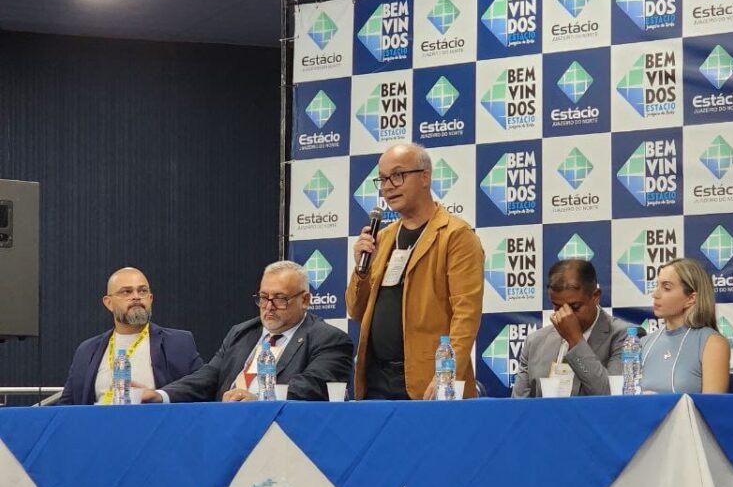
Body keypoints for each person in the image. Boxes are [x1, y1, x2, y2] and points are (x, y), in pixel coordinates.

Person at [347, 143, 484, 400]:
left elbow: (466, 314)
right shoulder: (383, 237)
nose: (388, 186)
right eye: (383, 179)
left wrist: (446, 374)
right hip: (376, 380)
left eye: (398, 175)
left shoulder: (455, 235)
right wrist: (361, 271)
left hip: (428, 380)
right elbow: (355, 310)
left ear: (425, 177)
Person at [140, 260, 352, 402]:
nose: (268, 307)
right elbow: (208, 377)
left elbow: (312, 387)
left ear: (304, 300)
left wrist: (259, 399)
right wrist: (160, 395)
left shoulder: (329, 340)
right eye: (263, 297)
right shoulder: (242, 333)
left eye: (280, 299)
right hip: (228, 426)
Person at [58, 267, 203, 405]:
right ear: (109, 303)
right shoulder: (87, 350)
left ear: (150, 299)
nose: (136, 297)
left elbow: (202, 390)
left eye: (142, 291)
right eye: (126, 292)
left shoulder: (178, 343)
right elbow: (67, 406)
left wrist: (159, 396)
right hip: (99, 422)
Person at [512, 259, 628, 397]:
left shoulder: (624, 337)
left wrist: (575, 340)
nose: (566, 315)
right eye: (557, 307)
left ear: (595, 296)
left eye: (574, 307)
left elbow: (614, 398)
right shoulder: (534, 343)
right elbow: (518, 405)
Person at [640, 259, 730, 394]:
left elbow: (713, 405)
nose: (655, 294)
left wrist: (662, 403)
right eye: (656, 285)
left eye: (666, 288)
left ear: (691, 299)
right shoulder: (644, 343)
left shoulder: (712, 343)